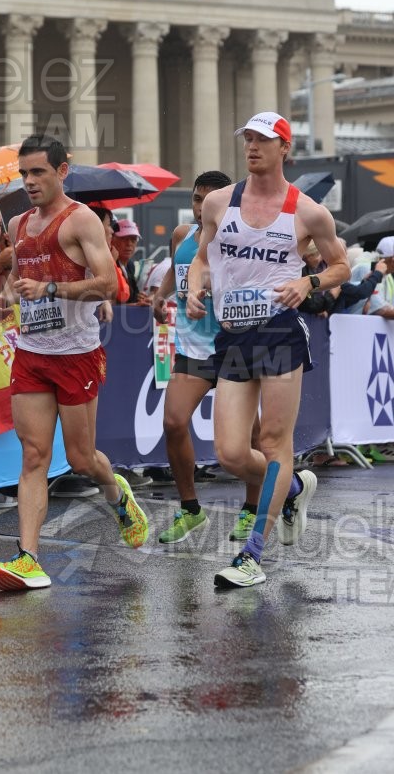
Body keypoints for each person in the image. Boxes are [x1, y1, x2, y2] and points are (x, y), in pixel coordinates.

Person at [187, 111, 350, 589]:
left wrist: (308, 280)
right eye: (248, 139)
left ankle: (250, 555)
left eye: (263, 140)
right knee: (231, 453)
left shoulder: (308, 211)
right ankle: (294, 485)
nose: (252, 147)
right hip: (234, 334)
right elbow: (201, 258)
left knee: (274, 444)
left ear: (285, 149)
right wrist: (197, 288)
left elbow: (339, 266)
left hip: (280, 332)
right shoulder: (219, 202)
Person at [0, 134, 149, 591]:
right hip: (33, 354)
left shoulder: (81, 222)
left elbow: (108, 286)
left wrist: (53, 290)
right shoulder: (16, 223)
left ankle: (116, 492)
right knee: (34, 455)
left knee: (80, 459)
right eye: (23, 174)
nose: (30, 181)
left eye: (38, 172)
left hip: (77, 354)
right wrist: (2, 301)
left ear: (62, 171)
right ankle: (28, 559)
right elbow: (19, 281)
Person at [153, 170, 261, 544]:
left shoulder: (241, 240)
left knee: (250, 435)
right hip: (193, 350)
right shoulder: (182, 236)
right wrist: (159, 295)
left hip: (234, 345)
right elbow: (177, 270)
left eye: (210, 200)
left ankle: (252, 510)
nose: (202, 207)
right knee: (173, 422)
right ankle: (190, 509)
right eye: (197, 199)